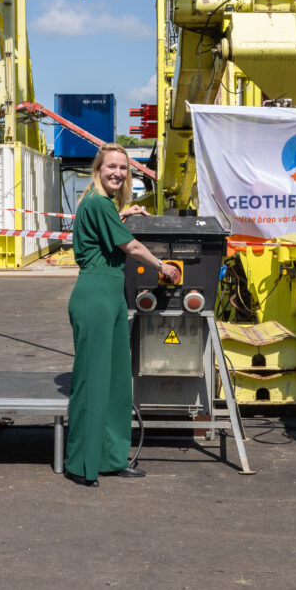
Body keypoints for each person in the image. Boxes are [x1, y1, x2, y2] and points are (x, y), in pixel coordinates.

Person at [64, 142, 180, 487]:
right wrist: (163, 266)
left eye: (123, 168)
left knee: (115, 383)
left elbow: (106, 230)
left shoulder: (105, 206)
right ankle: (81, 463)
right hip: (95, 295)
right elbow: (131, 246)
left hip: (112, 294)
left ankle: (112, 458)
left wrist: (124, 214)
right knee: (93, 381)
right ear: (98, 170)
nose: (117, 173)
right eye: (111, 166)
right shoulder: (98, 203)